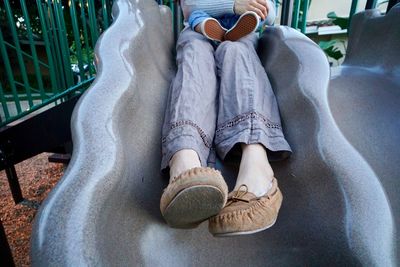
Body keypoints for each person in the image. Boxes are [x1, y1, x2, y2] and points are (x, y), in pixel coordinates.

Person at [160, 0, 292, 236]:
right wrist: (233, 4)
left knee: (236, 52)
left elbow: (271, 13)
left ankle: (256, 163)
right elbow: (189, 7)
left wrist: (259, 8)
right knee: (195, 58)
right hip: (198, 30)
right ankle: (185, 161)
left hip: (240, 32)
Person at [188, 0, 274, 42]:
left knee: (256, 16)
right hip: (214, 20)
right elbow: (189, 6)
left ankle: (232, 33)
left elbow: (269, 15)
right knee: (195, 15)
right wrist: (232, 4)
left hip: (239, 20)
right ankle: (207, 28)